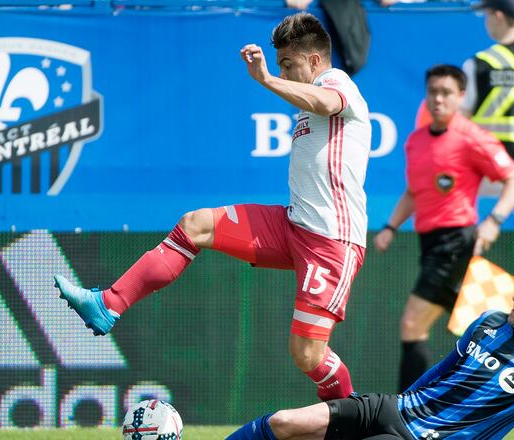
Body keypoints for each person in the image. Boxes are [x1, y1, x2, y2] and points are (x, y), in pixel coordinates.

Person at [54, 12, 371, 402]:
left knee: (307, 355)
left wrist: (268, 80)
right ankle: (108, 304)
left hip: (330, 243)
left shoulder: (337, 83)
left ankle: (351, 421)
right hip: (293, 226)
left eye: (289, 65)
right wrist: (276, 77)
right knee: (195, 224)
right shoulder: (309, 97)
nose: (283, 73)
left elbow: (327, 102)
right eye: (279, 66)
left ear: (316, 61)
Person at [227, 269, 514, 440]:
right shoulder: (491, 322)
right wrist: (401, 402)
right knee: (283, 423)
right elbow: (443, 368)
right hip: (395, 408)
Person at [373, 64, 514, 392]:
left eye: (446, 93)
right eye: (433, 92)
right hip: (429, 244)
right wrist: (390, 226)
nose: (438, 99)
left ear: (460, 97)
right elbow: (414, 192)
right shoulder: (415, 142)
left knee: (412, 324)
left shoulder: (472, 138)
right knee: (483, 323)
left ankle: (406, 410)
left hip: (455, 241)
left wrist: (494, 220)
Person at [415, 0, 514, 199]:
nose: (486, 22)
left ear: (498, 16)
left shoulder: (477, 65)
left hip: (491, 176)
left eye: (487, 15)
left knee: (486, 230)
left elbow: (458, 124)